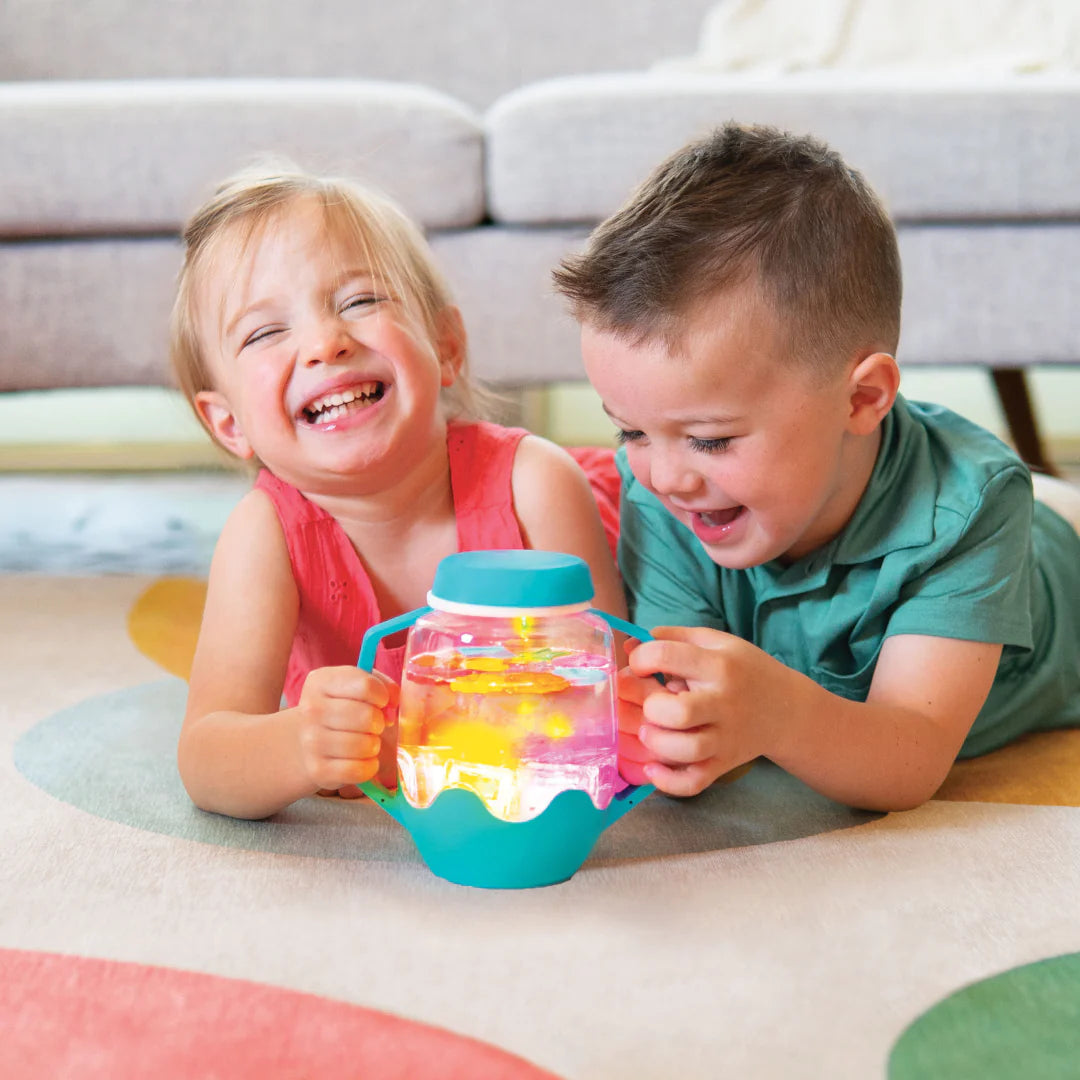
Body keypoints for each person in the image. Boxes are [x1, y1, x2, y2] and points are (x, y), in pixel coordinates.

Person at [552, 122, 1080, 813]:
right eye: (631, 431)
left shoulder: (967, 507)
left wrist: (778, 715)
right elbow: (680, 698)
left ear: (861, 399)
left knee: (1037, 507)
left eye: (711, 440)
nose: (667, 476)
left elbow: (910, 758)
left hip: (1057, 572)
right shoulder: (660, 492)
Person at [172, 165, 624, 820]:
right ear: (229, 424)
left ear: (446, 346)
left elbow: (608, 706)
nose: (326, 343)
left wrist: (423, 737)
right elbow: (206, 758)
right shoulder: (264, 534)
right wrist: (296, 744)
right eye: (265, 333)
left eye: (360, 301)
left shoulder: (537, 483)